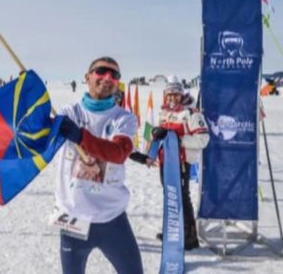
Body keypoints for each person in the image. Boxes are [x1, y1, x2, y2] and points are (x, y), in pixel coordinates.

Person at [55, 57, 143, 274]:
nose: (108, 78)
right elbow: (36, 141)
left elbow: (118, 153)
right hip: (73, 217)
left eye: (114, 75)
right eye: (101, 71)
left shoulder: (123, 118)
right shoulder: (69, 114)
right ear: (87, 77)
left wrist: (80, 136)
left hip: (111, 218)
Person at [151, 78, 209, 251]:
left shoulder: (191, 113)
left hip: (181, 162)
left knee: (182, 197)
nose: (172, 98)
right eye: (169, 95)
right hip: (165, 161)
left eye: (175, 94)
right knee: (170, 197)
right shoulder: (164, 112)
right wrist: (151, 149)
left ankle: (190, 236)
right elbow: (159, 136)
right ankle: (173, 232)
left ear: (181, 94)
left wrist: (178, 139)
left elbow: (203, 138)